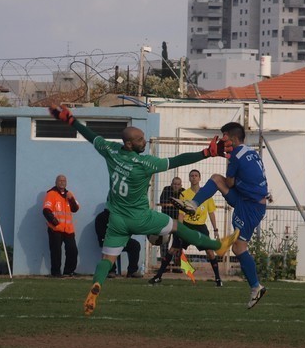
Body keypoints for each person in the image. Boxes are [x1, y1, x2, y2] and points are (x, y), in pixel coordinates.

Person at [47, 104, 238, 316]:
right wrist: (206, 153)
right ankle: (216, 246)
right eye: (139, 140)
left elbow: (91, 135)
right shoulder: (145, 163)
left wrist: (71, 120)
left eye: (143, 137)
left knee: (106, 261)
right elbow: (177, 160)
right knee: (176, 225)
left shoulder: (110, 151)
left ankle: (95, 289)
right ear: (129, 144)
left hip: (117, 219)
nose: (144, 141)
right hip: (140, 217)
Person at [172, 122, 269, 309]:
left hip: (250, 206)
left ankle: (256, 287)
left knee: (239, 249)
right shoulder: (249, 151)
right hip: (247, 200)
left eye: (224, 138)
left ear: (232, 138)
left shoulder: (235, 157)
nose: (223, 142)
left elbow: (231, 183)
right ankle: (193, 204)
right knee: (216, 178)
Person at [151, 169, 224, 287]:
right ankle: (158, 276)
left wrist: (215, 229)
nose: (194, 177)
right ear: (189, 178)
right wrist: (180, 228)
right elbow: (181, 213)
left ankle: (218, 279)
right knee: (173, 249)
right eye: (191, 176)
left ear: (199, 178)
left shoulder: (206, 194)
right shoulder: (184, 194)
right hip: (187, 226)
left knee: (210, 251)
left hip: (200, 227)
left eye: (196, 176)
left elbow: (211, 213)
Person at [42, 174, 80, 277]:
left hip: (68, 229)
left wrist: (71, 199)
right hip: (56, 229)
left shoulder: (69, 194)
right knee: (56, 252)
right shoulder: (51, 194)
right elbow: (46, 210)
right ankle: (56, 272)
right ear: (56, 182)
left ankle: (69, 271)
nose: (62, 182)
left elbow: (75, 209)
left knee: (72, 250)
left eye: (64, 180)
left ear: (66, 183)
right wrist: (55, 223)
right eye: (60, 180)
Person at [94, 208, 142, 278]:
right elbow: (101, 234)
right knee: (109, 245)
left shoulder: (121, 216)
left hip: (121, 241)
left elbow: (128, 230)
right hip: (107, 241)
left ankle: (132, 271)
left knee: (135, 245)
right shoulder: (101, 217)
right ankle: (111, 271)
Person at [155, 176, 183, 260]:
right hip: (166, 220)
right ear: (171, 184)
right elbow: (162, 202)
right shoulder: (166, 189)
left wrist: (172, 202)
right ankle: (164, 262)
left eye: (178, 184)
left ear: (181, 185)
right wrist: (177, 204)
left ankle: (176, 265)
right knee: (164, 242)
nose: (176, 186)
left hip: (178, 221)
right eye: (174, 184)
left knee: (178, 243)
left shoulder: (183, 191)